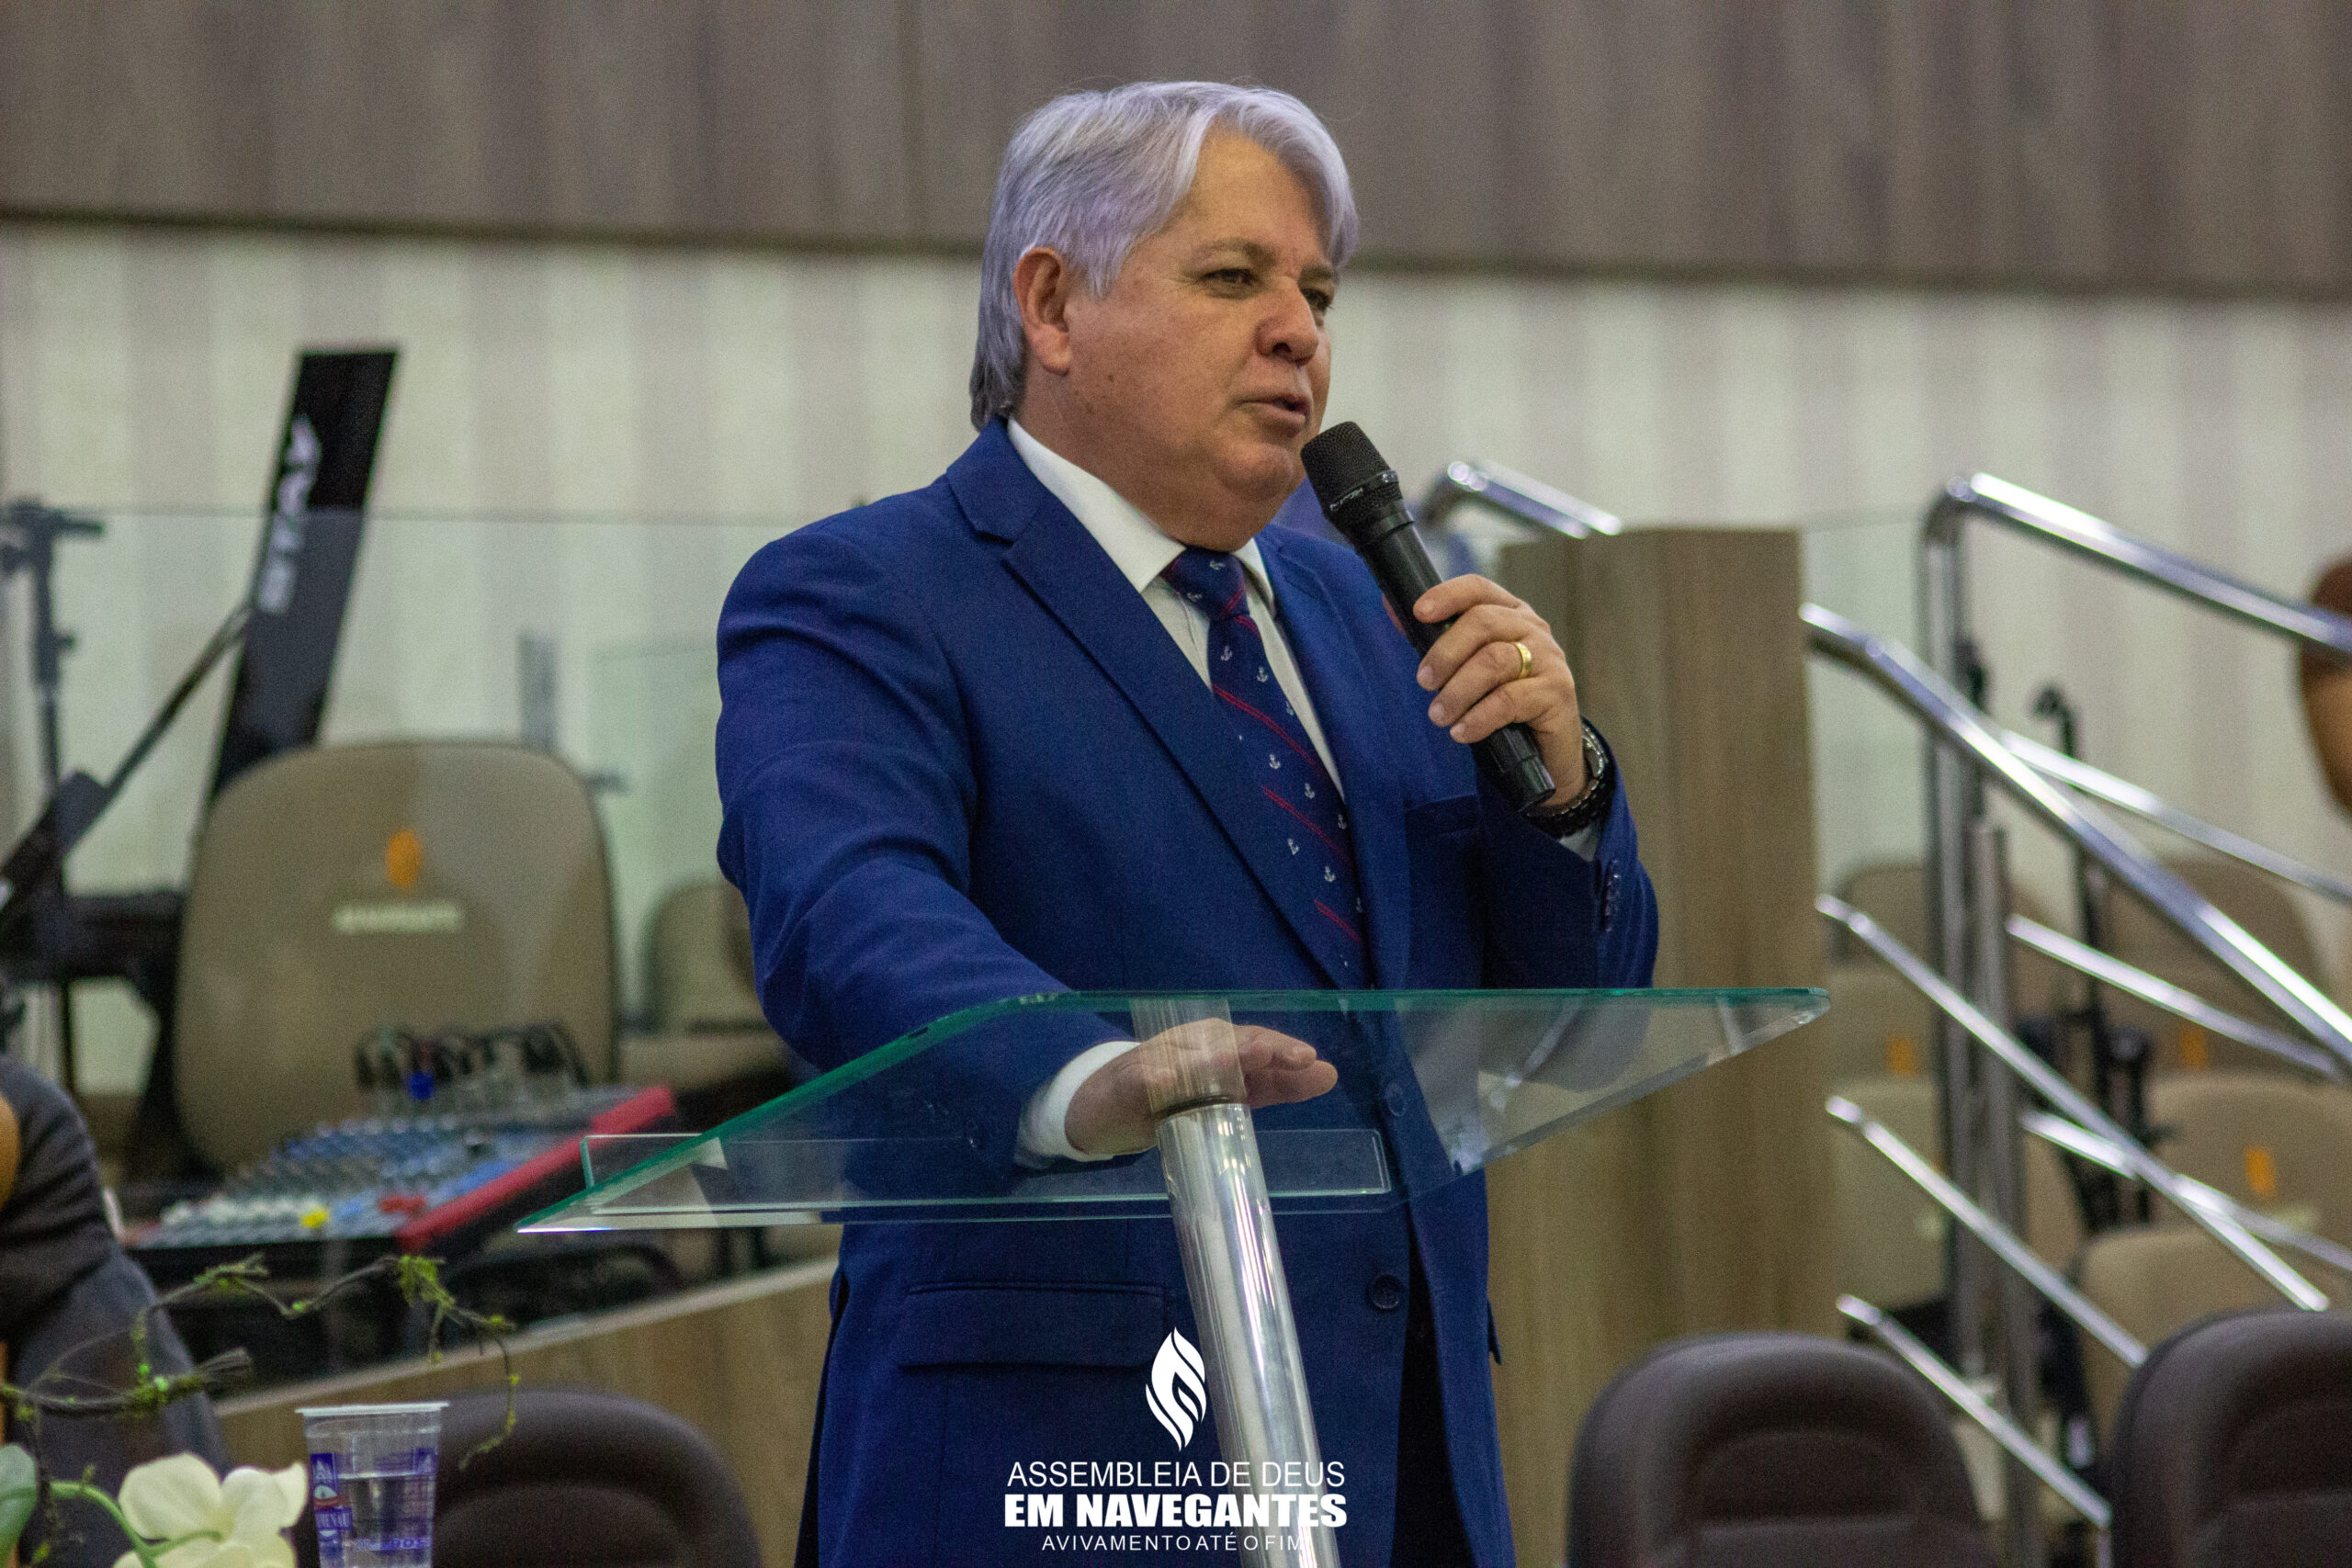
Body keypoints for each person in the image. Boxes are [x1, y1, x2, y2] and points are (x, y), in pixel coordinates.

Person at [717, 81, 1657, 1566]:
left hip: (1403, 1470)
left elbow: (1568, 1027)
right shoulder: (865, 595)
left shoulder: (1374, 609)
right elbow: (848, 914)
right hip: (1062, 1473)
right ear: (1052, 306)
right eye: (1232, 278)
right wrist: (1083, 1076)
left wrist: (1568, 800)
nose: (1298, 333)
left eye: (1317, 295)